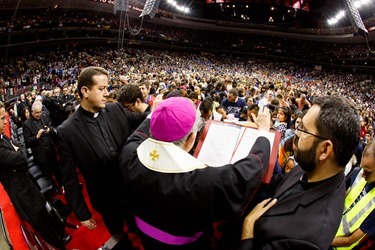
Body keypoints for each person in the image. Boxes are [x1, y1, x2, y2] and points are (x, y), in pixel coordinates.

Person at [119, 96, 272, 249]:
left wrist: (157, 113)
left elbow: (138, 135)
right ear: (191, 138)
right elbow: (249, 171)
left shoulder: (130, 155)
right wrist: (264, 133)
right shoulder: (201, 181)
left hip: (145, 237)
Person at [238, 95, 361, 250]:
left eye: (303, 129)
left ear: (324, 150)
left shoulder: (309, 237)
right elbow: (281, 183)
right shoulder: (315, 166)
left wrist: (248, 228)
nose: (296, 133)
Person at [57, 67, 148, 249]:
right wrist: (82, 213)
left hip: (133, 189)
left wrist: (161, 112)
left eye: (107, 88)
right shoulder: (66, 131)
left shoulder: (115, 109)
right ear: (85, 91)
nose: (107, 93)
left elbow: (143, 119)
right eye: (102, 89)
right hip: (106, 200)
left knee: (142, 230)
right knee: (120, 238)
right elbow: (70, 179)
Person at [0, 101, 69, 249]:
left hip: (27, 182)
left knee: (45, 212)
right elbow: (22, 156)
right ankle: (57, 244)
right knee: (41, 222)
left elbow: (18, 148)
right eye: (1, 118)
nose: (5, 120)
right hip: (22, 192)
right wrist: (18, 150)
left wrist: (17, 149)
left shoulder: (3, 137)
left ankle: (60, 236)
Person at [330, 139, 375, 250]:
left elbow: (350, 240)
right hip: (326, 231)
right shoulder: (357, 173)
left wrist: (323, 240)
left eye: (368, 171)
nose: (363, 174)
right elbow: (335, 199)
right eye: (362, 167)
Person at [23, 101, 60, 189]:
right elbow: (27, 142)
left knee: (57, 169)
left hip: (50, 149)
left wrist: (49, 130)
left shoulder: (44, 116)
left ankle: (61, 184)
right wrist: (37, 136)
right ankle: (54, 188)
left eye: (40, 112)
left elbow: (51, 126)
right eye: (36, 113)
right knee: (48, 173)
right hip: (41, 154)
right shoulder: (26, 124)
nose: (39, 114)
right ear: (32, 112)